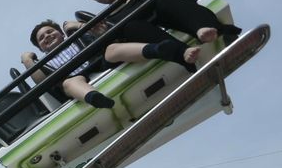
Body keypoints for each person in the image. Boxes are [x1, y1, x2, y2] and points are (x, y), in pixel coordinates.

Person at [20, 19, 196, 110]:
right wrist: (28, 60)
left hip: (98, 61)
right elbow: (41, 82)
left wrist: (77, 25)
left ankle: (158, 50)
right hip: (76, 77)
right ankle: (94, 98)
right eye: (42, 39)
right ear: (40, 48)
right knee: (69, 83)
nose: (47, 37)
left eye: (50, 32)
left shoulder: (77, 38)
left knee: (112, 48)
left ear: (60, 33)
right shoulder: (46, 62)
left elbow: (101, 32)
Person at [86, 0, 241, 50]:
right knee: (131, 27)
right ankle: (182, 52)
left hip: (169, 13)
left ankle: (206, 29)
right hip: (149, 33)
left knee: (164, 1)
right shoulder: (109, 17)